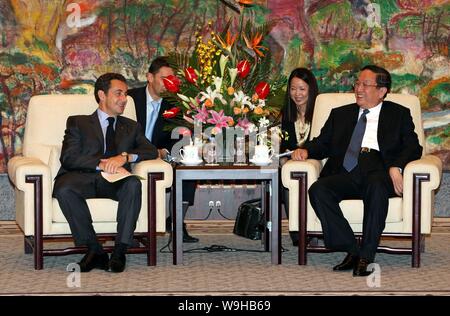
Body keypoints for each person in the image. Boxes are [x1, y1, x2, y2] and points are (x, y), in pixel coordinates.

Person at [292, 65, 422, 276]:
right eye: (357, 83)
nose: (359, 89)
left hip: (378, 169)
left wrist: (396, 167)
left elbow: (413, 147)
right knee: (318, 190)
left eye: (365, 84)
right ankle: (352, 249)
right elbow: (322, 143)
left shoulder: (398, 114)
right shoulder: (340, 114)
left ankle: (366, 256)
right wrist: (305, 150)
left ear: (382, 91)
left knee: (377, 186)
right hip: (346, 171)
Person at [53, 73, 158, 273]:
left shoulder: (131, 126)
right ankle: (95, 251)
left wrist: (125, 158)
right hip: (83, 177)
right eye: (118, 93)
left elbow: (150, 150)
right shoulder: (78, 122)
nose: (124, 99)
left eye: (125, 94)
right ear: (102, 95)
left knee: (133, 184)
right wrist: (101, 164)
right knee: (64, 188)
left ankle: (120, 250)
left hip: (115, 181)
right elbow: (69, 157)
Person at [128, 56, 199, 243]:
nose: (170, 83)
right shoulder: (130, 99)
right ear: (149, 77)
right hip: (133, 154)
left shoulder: (175, 104)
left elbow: (180, 136)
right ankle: (134, 228)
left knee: (187, 167)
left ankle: (176, 222)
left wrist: (166, 153)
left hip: (162, 154)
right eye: (164, 78)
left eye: (173, 79)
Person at [280, 68, 318, 246]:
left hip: (317, 164)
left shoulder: (320, 112)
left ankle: (314, 230)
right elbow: (282, 146)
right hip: (293, 167)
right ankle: (298, 233)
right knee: (285, 175)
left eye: (302, 89)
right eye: (293, 88)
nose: (297, 94)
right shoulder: (287, 114)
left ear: (310, 89)